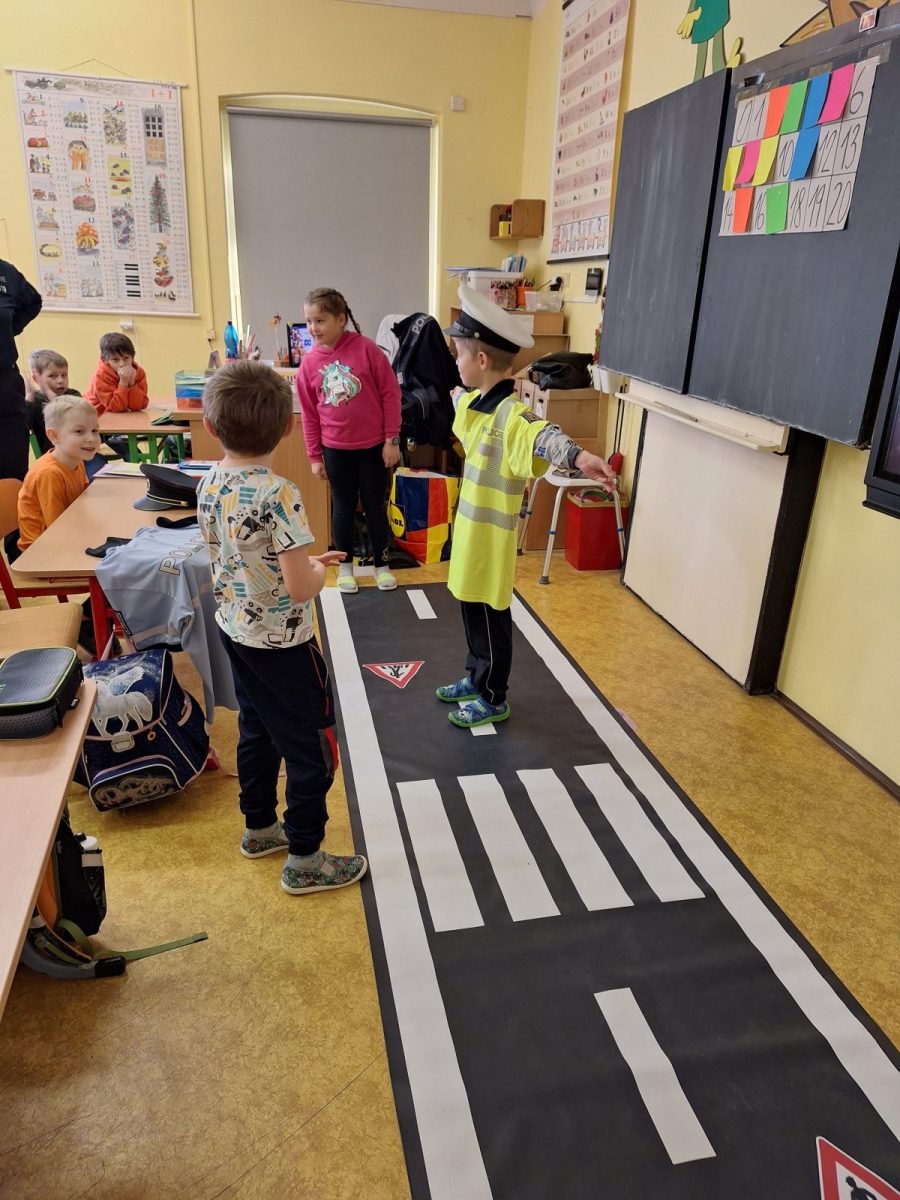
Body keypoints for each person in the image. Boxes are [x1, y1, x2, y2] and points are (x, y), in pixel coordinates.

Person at [197, 360, 368, 896]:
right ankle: (305, 858)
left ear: (211, 427)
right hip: (285, 644)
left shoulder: (209, 481)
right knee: (310, 746)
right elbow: (300, 588)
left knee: (257, 728)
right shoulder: (279, 492)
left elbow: (245, 556)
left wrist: (302, 562)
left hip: (236, 629)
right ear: (289, 427)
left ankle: (259, 828)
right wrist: (318, 569)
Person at [437, 284, 618, 729]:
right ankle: (476, 677)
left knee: (491, 617)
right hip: (469, 537)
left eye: (459, 354)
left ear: (482, 360)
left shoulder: (512, 416)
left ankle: (493, 696)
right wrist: (457, 396)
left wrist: (580, 456)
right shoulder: (478, 404)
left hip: (492, 544)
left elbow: (543, 435)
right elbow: (463, 413)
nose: (455, 361)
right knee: (470, 609)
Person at [296, 286, 402, 594]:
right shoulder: (309, 363)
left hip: (373, 449)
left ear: (341, 319)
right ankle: (345, 568)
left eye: (320, 321)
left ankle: (381, 565)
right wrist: (314, 456)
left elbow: (391, 395)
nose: (313, 328)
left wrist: (391, 439)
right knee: (342, 508)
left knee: (374, 506)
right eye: (309, 321)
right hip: (335, 450)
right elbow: (309, 414)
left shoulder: (367, 350)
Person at [16, 394, 101, 552]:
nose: (91, 438)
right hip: (41, 549)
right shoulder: (49, 474)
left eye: (95, 430)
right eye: (79, 431)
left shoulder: (77, 459)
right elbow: (57, 527)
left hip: (68, 531)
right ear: (54, 436)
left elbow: (83, 501)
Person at [0, 258, 42, 482]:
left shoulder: (5, 272)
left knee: (13, 468)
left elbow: (32, 302)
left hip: (5, 382)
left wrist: (8, 330)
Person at [26, 348, 82, 456]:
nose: (61, 380)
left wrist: (49, 394)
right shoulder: (34, 402)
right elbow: (23, 428)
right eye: (52, 376)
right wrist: (28, 398)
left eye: (64, 375)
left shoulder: (73, 395)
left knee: (99, 463)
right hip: (53, 458)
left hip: (80, 454)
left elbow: (70, 417)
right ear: (36, 379)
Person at [84, 331, 149, 414]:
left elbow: (140, 406)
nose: (122, 364)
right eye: (115, 360)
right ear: (105, 360)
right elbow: (115, 408)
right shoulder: (101, 375)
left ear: (132, 357)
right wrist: (123, 383)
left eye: (126, 358)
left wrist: (132, 384)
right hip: (95, 414)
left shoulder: (138, 373)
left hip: (120, 414)